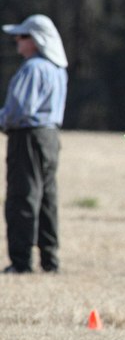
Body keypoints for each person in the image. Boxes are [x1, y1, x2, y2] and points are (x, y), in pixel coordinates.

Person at [0, 14, 68, 274]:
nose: (17, 40)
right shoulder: (57, 69)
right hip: (50, 138)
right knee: (47, 199)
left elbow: (19, 111)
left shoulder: (32, 68)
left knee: (22, 197)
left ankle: (21, 262)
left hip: (27, 138)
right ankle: (50, 260)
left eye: (24, 35)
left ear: (37, 40)